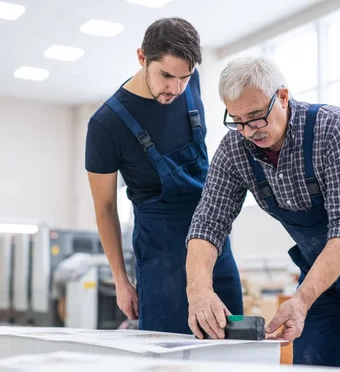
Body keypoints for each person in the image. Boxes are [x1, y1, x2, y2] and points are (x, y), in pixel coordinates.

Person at [185, 55, 340, 371]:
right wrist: (199, 290)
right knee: (311, 364)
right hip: (323, 274)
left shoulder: (335, 128)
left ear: (282, 97)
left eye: (256, 117)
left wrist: (302, 300)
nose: (248, 131)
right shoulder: (234, 150)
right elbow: (207, 223)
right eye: (237, 120)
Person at [85, 17, 243, 334]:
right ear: (142, 58)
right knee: (169, 352)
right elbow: (104, 209)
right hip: (161, 251)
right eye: (166, 75)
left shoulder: (190, 83)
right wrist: (120, 280)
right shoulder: (105, 125)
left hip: (213, 240)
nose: (175, 88)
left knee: (232, 344)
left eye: (184, 78)